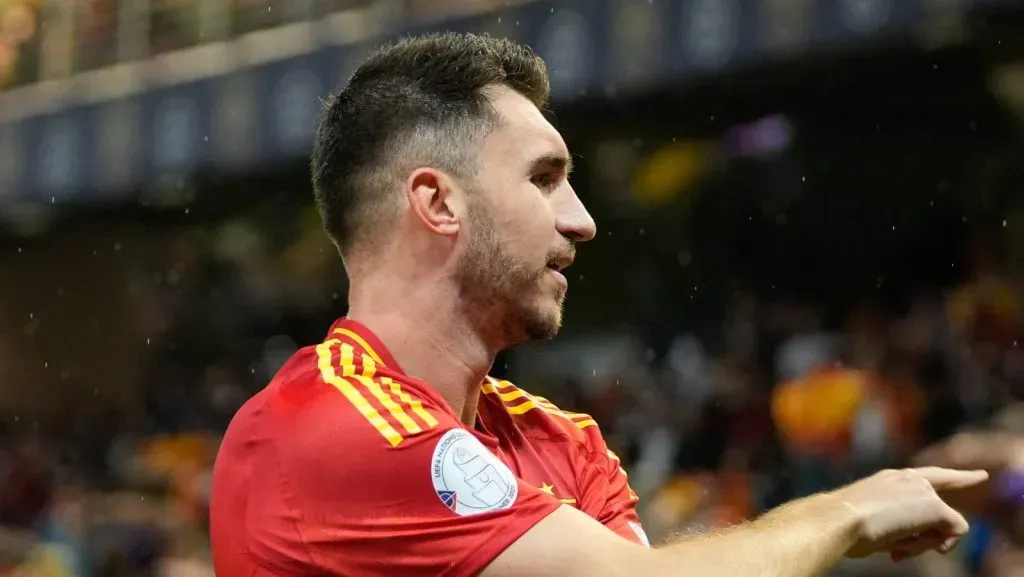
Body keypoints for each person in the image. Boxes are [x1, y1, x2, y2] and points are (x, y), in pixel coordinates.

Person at [209, 32, 988, 577]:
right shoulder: (318, 431)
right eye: (544, 178)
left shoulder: (563, 441)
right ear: (438, 202)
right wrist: (842, 512)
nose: (581, 218)